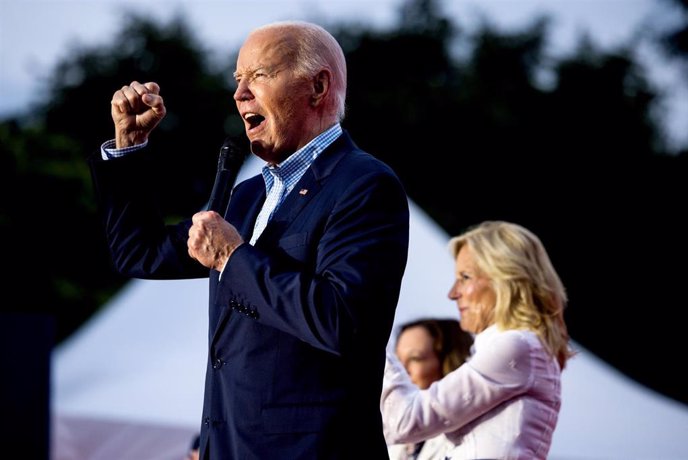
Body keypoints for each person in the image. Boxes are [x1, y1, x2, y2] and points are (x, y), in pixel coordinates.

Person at [88, 20, 410, 459]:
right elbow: (139, 254)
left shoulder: (364, 184)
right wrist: (128, 145)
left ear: (317, 87)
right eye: (238, 79)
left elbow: (344, 323)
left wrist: (233, 257)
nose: (240, 94)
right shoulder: (247, 196)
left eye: (259, 76)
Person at [381, 221, 574, 460]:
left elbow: (404, 421)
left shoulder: (518, 347)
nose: (453, 293)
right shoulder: (519, 349)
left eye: (465, 277)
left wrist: (368, 337)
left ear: (505, 278)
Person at [387, 318, 473, 460]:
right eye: (398, 361)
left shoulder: (464, 439)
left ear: (447, 363)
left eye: (415, 358)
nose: (402, 371)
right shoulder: (394, 435)